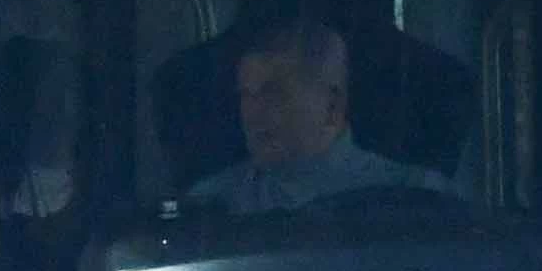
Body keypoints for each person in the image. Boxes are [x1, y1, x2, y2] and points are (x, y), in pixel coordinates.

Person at [186, 16, 446, 213]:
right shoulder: (212, 208)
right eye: (245, 94)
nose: (252, 113)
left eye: (273, 93)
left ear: (332, 107)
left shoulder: (417, 201)